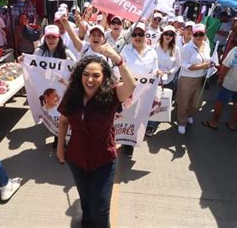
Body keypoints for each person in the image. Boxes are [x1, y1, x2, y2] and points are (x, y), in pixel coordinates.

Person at [57, 52, 136, 227]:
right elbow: (63, 121)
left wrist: (118, 59)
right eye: (85, 74)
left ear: (105, 77)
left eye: (96, 75)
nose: (90, 80)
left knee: (100, 207)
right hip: (76, 159)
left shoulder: (112, 95)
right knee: (86, 201)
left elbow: (131, 85)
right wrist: (60, 148)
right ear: (79, 75)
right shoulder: (72, 95)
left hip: (103, 161)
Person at [119, 22, 159, 158]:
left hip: (144, 92)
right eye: (134, 34)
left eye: (140, 34)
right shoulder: (125, 50)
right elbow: (119, 69)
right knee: (124, 117)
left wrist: (157, 72)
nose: (137, 37)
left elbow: (154, 69)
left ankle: (130, 143)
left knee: (137, 118)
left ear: (145, 35)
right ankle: (122, 142)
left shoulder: (152, 52)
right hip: (128, 91)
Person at [146, 25, 181, 136]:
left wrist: (170, 72)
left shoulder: (176, 49)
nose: (168, 36)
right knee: (153, 100)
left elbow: (178, 64)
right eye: (166, 34)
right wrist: (156, 71)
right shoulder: (155, 47)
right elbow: (150, 61)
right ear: (162, 35)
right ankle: (150, 122)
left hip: (168, 80)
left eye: (171, 34)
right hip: (155, 79)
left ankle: (152, 124)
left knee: (161, 102)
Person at [177, 23, 211, 135]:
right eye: (196, 34)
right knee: (183, 102)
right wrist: (203, 66)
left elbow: (209, 60)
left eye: (201, 34)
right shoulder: (187, 47)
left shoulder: (206, 45)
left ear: (204, 34)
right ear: (192, 34)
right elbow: (185, 65)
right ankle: (182, 122)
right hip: (187, 79)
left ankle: (189, 115)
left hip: (201, 78)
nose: (198, 37)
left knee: (197, 103)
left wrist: (211, 65)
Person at [202, 46, 237, 131]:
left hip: (230, 82)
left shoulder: (235, 50)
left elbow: (225, 66)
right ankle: (232, 124)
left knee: (220, 101)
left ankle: (214, 122)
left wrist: (220, 78)